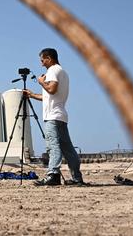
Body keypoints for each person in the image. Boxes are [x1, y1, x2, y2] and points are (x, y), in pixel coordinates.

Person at [24, 48, 85, 186]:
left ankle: (53, 175)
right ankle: (77, 178)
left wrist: (41, 82)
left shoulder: (52, 70)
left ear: (49, 58)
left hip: (52, 116)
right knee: (68, 149)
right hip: (61, 115)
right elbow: (49, 95)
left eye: (42, 60)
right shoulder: (63, 72)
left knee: (53, 146)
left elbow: (52, 89)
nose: (41, 64)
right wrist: (32, 95)